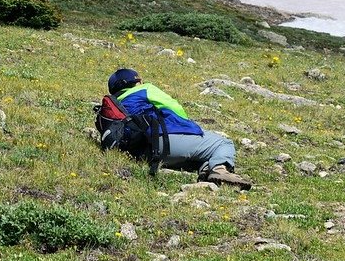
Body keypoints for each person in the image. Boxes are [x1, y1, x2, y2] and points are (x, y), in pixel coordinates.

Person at [107, 68, 252, 190]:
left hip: (140, 152)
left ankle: (206, 173)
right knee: (223, 143)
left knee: (201, 155)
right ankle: (220, 171)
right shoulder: (145, 89)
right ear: (136, 82)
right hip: (163, 143)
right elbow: (177, 109)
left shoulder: (116, 105)